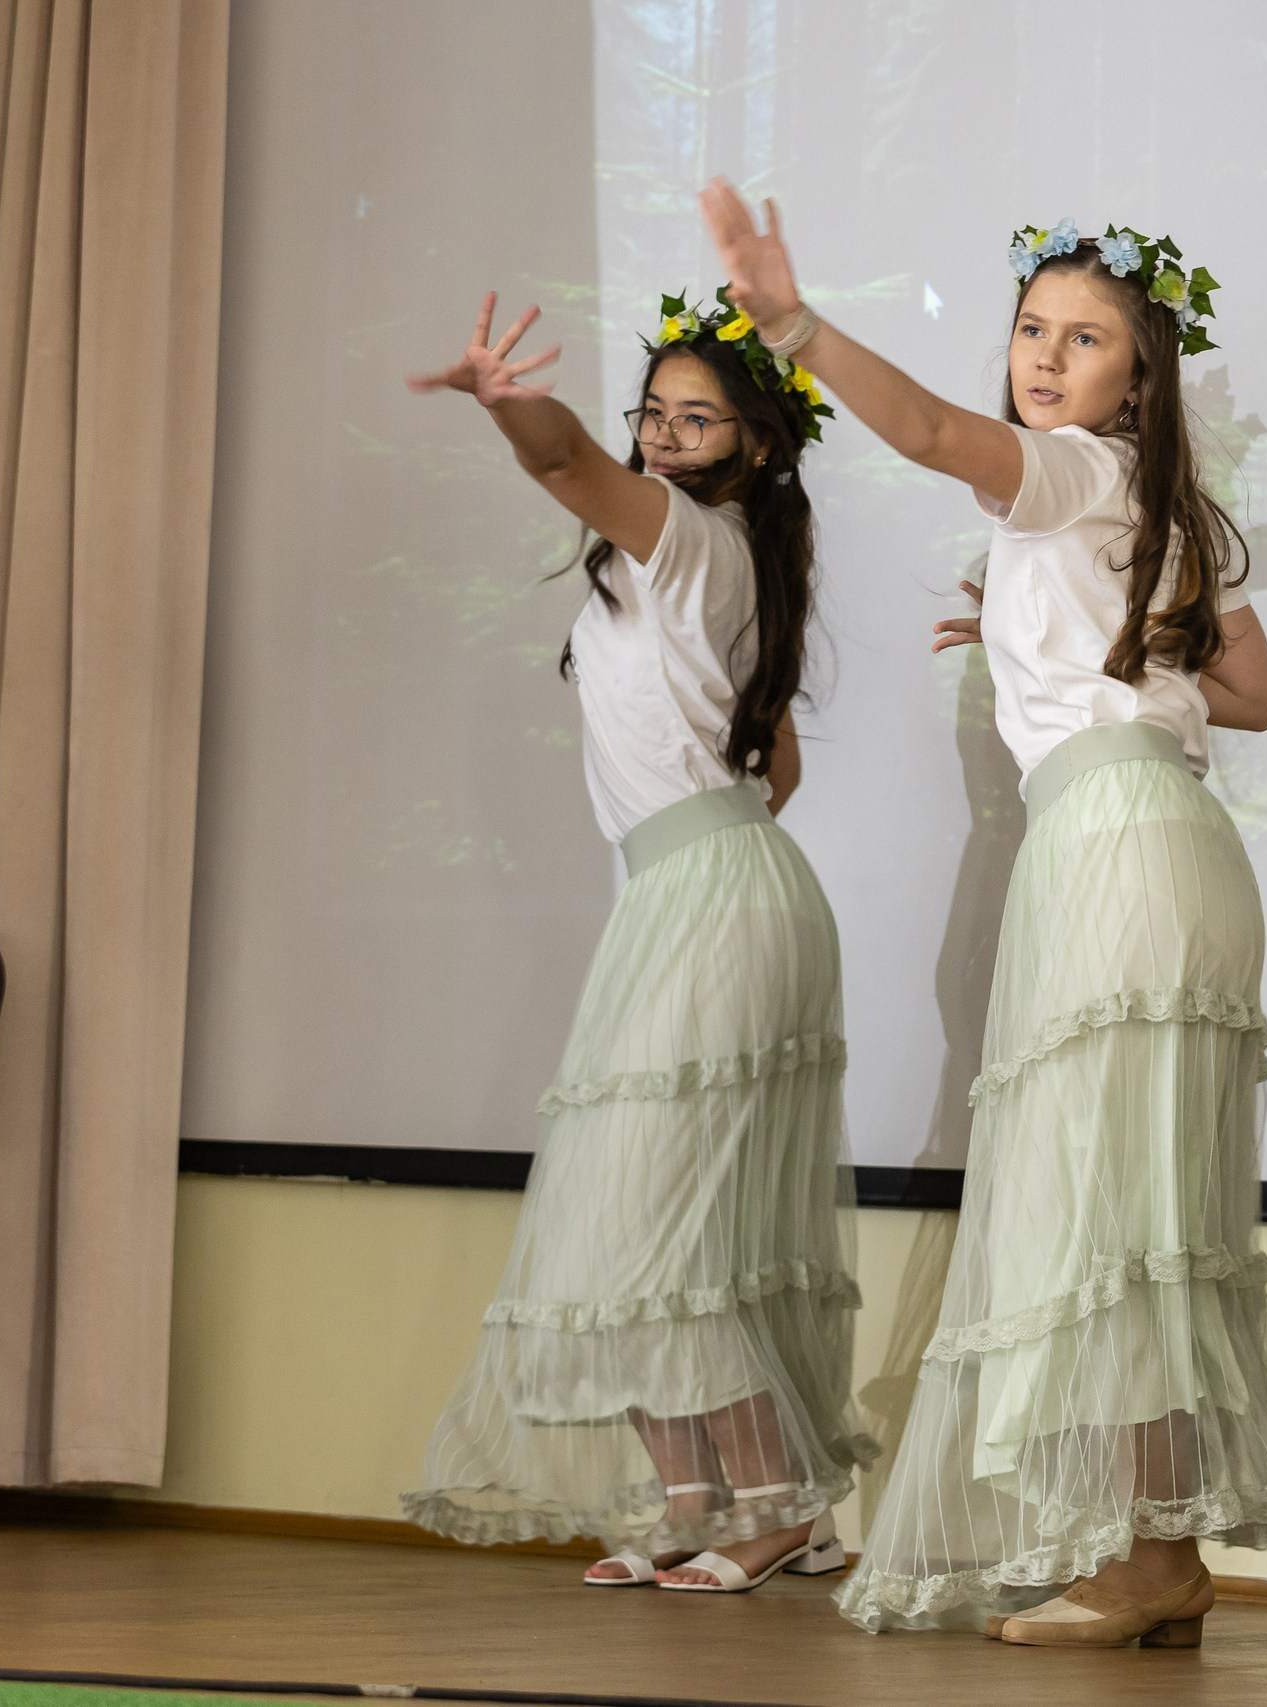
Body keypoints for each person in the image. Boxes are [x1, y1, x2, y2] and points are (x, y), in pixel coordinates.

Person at [699, 184, 1267, 1647]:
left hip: (1116, 849)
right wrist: (1061, 632)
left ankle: (1144, 1560)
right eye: (1033, 329)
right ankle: (1156, 1556)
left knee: (1106, 1210)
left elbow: (925, 432)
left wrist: (791, 324)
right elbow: (1252, 697)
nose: (1044, 357)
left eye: (1086, 337)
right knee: (1138, 1211)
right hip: (1169, 841)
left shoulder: (1069, 473)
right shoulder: (1159, 507)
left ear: (1137, 375)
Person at [401, 290, 874, 1595]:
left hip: (712, 898)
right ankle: (697, 1497)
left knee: (671, 1223)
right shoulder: (693, 562)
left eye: (696, 418)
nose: (662, 439)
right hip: (696, 889)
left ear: (757, 446)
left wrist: (506, 402)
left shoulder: (690, 540)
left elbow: (560, 457)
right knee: (636, 1214)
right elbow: (765, 764)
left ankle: (774, 1501)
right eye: (652, 416)